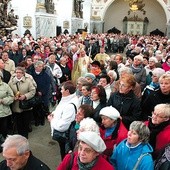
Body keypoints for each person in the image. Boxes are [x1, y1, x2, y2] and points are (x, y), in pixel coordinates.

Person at [48, 81, 78, 160]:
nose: (60, 91)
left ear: (67, 91)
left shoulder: (70, 105)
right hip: (64, 135)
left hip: (65, 136)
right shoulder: (67, 99)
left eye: (62, 89)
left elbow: (63, 126)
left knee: (65, 155)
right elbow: (61, 110)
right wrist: (54, 113)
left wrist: (52, 120)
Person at [8, 67, 36, 138]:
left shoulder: (28, 81)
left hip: (26, 106)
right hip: (16, 106)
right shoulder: (11, 82)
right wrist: (14, 97)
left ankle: (25, 136)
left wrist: (25, 96)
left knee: (26, 122)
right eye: (16, 72)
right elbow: (8, 92)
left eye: (20, 72)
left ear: (23, 73)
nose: (18, 74)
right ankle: (20, 137)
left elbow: (33, 91)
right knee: (18, 123)